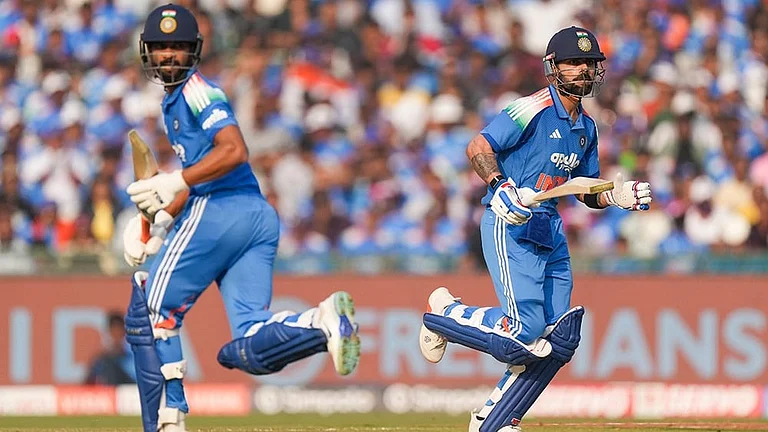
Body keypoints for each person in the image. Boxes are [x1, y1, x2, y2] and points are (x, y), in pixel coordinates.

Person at [121, 5, 360, 432]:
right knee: (247, 344)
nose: (169, 54)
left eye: (177, 46)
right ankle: (318, 322)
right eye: (160, 47)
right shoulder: (173, 101)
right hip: (254, 216)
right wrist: (159, 222)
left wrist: (174, 182)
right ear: (147, 51)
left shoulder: (197, 91)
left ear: (194, 50)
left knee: (151, 309)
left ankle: (167, 420)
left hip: (222, 210)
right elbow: (198, 175)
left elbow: (233, 151)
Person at [418, 26, 652, 432]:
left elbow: (584, 190)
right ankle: (445, 314)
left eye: (590, 63)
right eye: (574, 62)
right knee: (523, 333)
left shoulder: (587, 127)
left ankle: (496, 419)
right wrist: (500, 186)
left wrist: (615, 195)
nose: (584, 70)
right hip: (509, 221)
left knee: (558, 339)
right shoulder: (530, 108)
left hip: (549, 228)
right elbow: (478, 147)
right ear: (553, 67)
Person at [85, 311, 135, 385]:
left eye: (119, 332)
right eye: (114, 332)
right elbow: (87, 384)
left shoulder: (132, 358)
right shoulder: (100, 361)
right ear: (109, 332)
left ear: (124, 333)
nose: (116, 336)